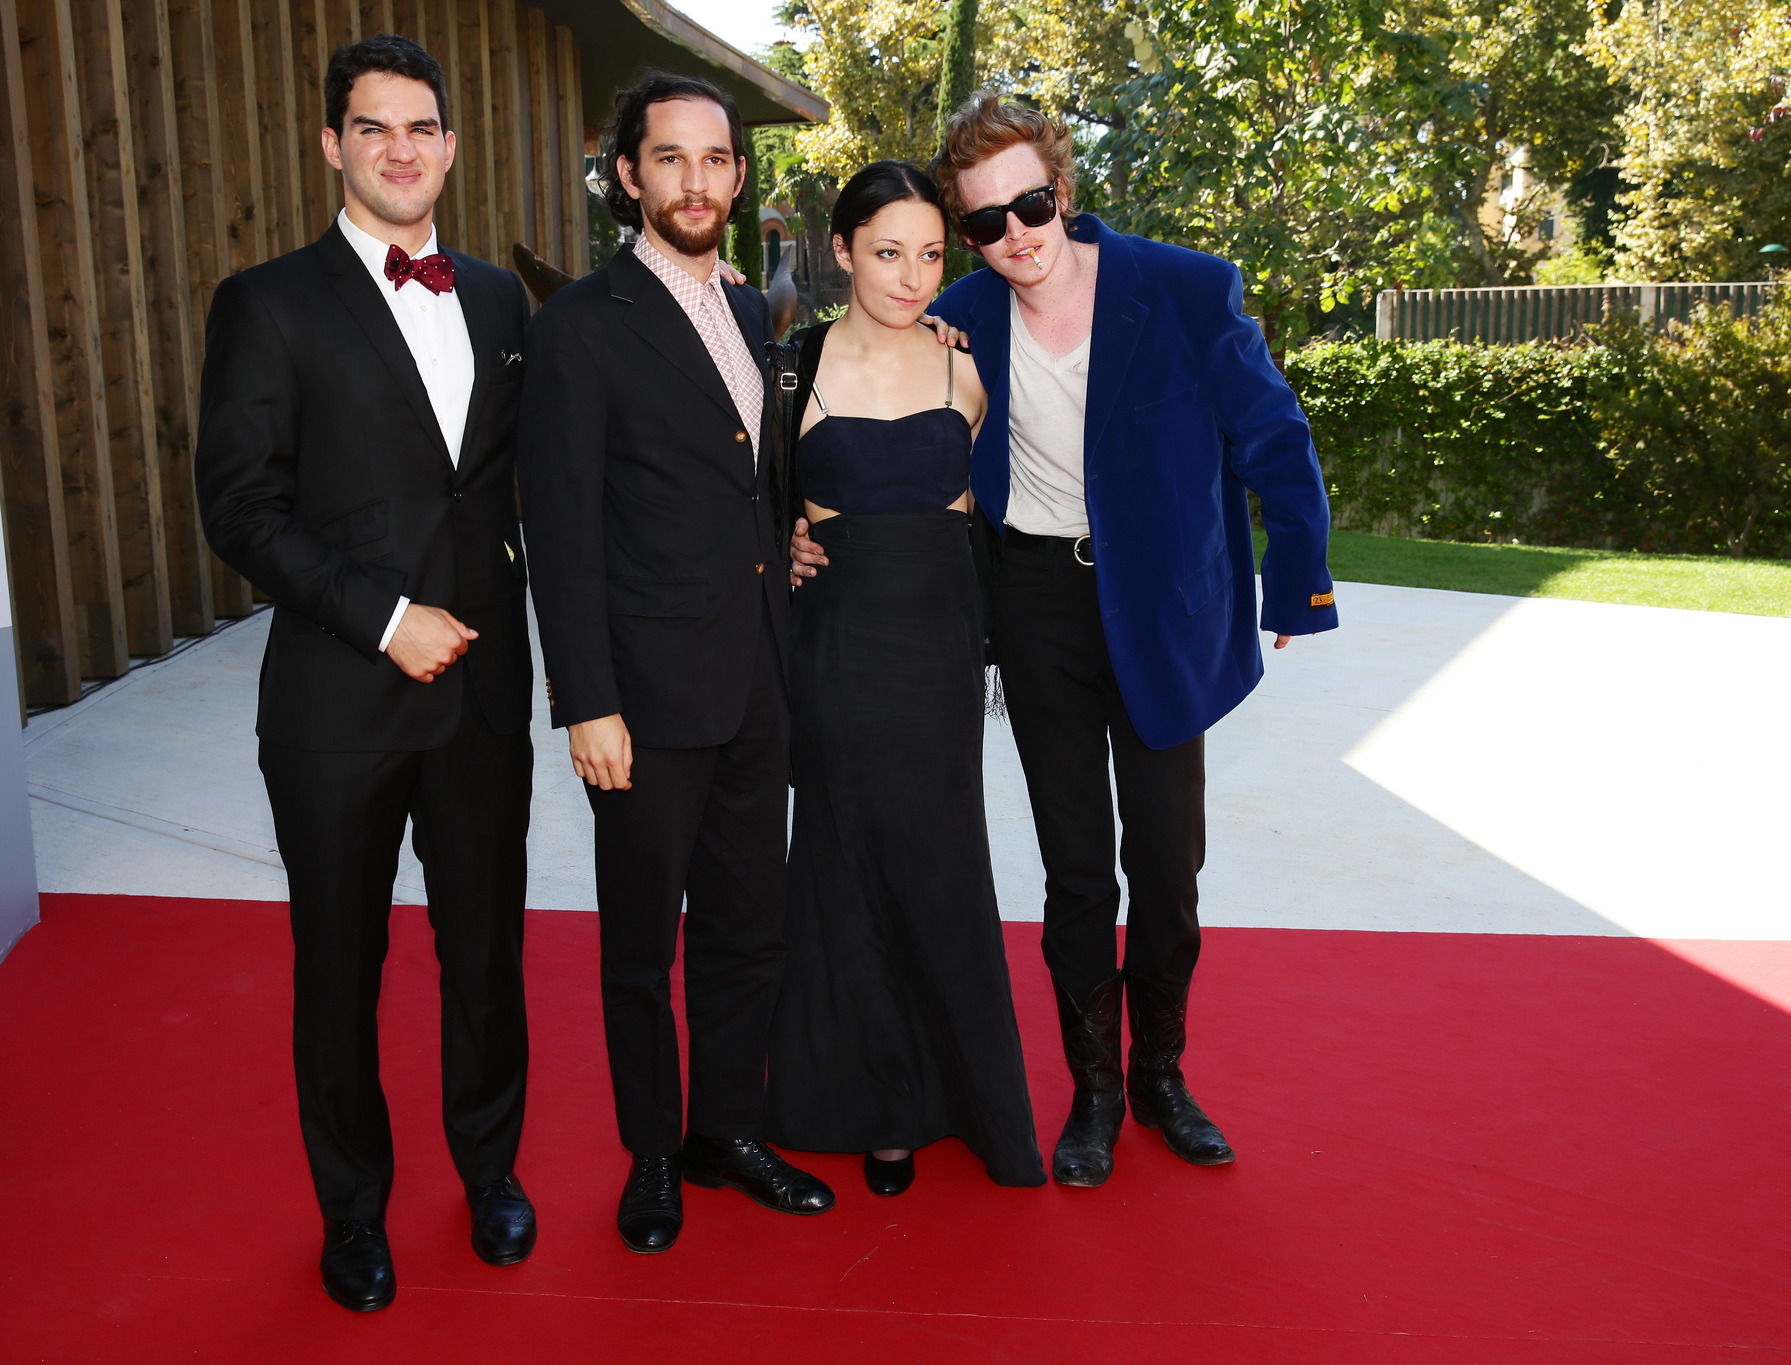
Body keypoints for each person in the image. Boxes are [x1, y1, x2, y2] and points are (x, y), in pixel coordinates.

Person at [794, 93, 1339, 1188]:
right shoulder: (956, 315)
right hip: (1033, 607)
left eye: (1029, 206)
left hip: (1157, 610)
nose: (1015, 237)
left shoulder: (1183, 288)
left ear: (1061, 186)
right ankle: (1091, 1091)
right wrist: (796, 532)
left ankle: (1162, 1079)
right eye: (986, 223)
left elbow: (1271, 433)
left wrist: (1297, 582)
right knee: (1076, 870)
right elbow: (844, 400)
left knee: (1166, 864)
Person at [196, 36, 538, 1311]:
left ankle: (489, 1171)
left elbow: (534, 476)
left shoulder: (501, 299)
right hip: (338, 699)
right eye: (373, 127)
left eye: (421, 127)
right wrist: (383, 614)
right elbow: (237, 509)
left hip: (482, 700)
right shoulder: (267, 301)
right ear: (334, 145)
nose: (401, 148)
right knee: (338, 971)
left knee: (485, 956)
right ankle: (353, 1213)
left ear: (449, 145)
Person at [518, 71, 836, 1256]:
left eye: (716, 161)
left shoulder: (753, 315)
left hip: (760, 679)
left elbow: (739, 479)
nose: (696, 182)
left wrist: (781, 541)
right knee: (641, 943)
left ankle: (727, 1132)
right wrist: (585, 701)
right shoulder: (582, 326)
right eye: (670, 160)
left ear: (736, 177)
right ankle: (651, 1153)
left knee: (750, 925)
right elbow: (561, 528)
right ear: (626, 175)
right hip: (643, 699)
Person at [762, 162, 1044, 1196]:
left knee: (939, 867)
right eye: (887, 251)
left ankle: (963, 1098)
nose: (911, 275)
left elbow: (995, 507)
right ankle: (874, 1106)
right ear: (841, 252)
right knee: (843, 869)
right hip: (832, 653)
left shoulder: (964, 368)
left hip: (936, 657)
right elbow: (743, 506)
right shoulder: (786, 370)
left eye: (930, 254)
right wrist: (778, 542)